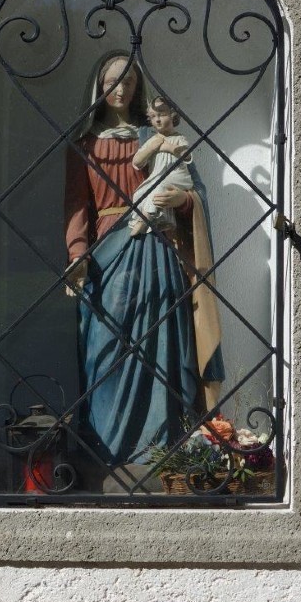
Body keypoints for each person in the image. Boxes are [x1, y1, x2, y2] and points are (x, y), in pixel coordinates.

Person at [64, 53, 224, 469]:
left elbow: (193, 189)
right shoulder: (83, 145)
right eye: (112, 81)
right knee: (105, 351)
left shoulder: (154, 135)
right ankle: (106, 456)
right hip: (107, 258)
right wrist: (77, 254)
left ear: (139, 90)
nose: (121, 89)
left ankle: (166, 453)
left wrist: (183, 200)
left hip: (156, 250)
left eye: (129, 82)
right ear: (99, 86)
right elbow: (76, 207)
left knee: (161, 348)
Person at [129, 95, 194, 238]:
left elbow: (187, 156)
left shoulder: (179, 138)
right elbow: (137, 162)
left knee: (160, 188)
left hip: (177, 176)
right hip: (157, 176)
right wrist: (152, 147)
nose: (157, 119)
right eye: (153, 116)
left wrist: (169, 148)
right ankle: (163, 221)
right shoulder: (152, 141)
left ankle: (144, 220)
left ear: (173, 115)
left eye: (162, 114)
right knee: (139, 193)